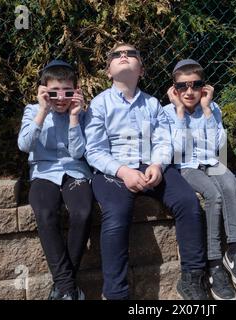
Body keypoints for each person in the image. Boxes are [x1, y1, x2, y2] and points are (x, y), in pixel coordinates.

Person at [84, 43, 209, 300]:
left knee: (188, 203)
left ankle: (193, 278)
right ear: (108, 71)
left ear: (141, 70)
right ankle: (115, 293)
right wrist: (122, 172)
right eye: (117, 54)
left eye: (131, 54)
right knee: (117, 214)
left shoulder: (152, 104)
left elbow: (164, 141)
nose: (124, 56)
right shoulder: (99, 105)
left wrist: (158, 165)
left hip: (150, 165)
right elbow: (94, 150)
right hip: (112, 170)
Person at [164, 59, 236, 300]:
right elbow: (176, 150)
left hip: (211, 162)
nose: (190, 91)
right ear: (174, 89)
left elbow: (218, 148)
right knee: (212, 195)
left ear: (204, 87)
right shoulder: (166, 113)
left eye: (196, 85)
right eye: (182, 86)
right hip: (185, 166)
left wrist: (206, 110)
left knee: (230, 183)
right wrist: (180, 113)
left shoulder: (212, 109)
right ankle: (214, 264)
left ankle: (235, 253)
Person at [18, 59, 93, 299]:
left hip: (75, 171)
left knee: (82, 212)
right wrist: (42, 110)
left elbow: (78, 153)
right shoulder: (32, 110)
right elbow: (24, 145)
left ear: (76, 91)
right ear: (43, 91)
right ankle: (68, 286)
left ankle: (63, 287)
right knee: (45, 212)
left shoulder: (81, 114)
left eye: (67, 92)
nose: (61, 98)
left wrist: (73, 118)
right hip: (44, 172)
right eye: (54, 93)